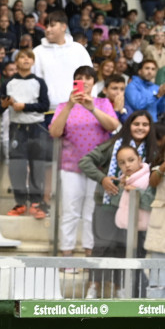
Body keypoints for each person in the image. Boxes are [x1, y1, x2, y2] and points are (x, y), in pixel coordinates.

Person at [79, 111, 156, 297]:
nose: (140, 128)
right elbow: (85, 161)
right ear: (129, 125)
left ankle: (120, 288)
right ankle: (94, 287)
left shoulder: (154, 150)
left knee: (126, 250)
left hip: (137, 211)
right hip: (107, 205)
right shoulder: (114, 144)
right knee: (102, 247)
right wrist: (103, 178)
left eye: (145, 124)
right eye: (136, 123)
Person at [50, 65, 119, 263]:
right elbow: (55, 132)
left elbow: (113, 126)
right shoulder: (64, 106)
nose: (85, 81)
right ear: (75, 83)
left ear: (94, 82)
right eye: (80, 78)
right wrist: (71, 106)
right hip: (71, 166)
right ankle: (67, 255)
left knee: (91, 212)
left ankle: (90, 254)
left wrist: (92, 108)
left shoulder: (103, 103)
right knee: (70, 211)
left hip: (98, 169)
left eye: (88, 78)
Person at [0, 49, 50, 218]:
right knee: (17, 167)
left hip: (37, 128)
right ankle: (20, 203)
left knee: (38, 166)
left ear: (33, 62)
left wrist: (24, 106)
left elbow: (44, 106)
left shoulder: (39, 82)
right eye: (22, 57)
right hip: (17, 128)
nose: (26, 60)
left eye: (29, 57)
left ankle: (36, 203)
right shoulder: (8, 83)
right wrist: (6, 105)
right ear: (16, 62)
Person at [33, 11, 93, 126]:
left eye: (52, 25)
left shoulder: (78, 49)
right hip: (47, 113)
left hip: (77, 111)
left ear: (63, 27)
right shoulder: (37, 52)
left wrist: (88, 102)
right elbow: (33, 83)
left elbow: (90, 79)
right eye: (46, 26)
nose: (48, 29)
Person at [144, 140, 165, 292]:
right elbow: (152, 182)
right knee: (158, 272)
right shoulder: (159, 163)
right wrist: (163, 168)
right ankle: (155, 307)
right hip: (161, 223)